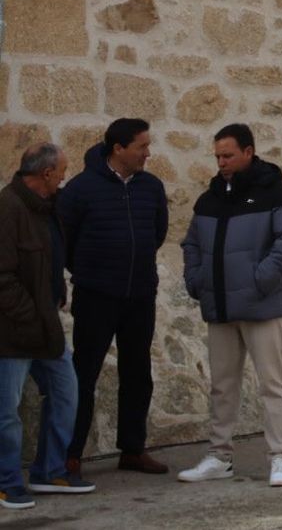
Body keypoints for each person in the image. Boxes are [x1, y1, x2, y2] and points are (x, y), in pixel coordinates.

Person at [178, 124, 282, 488]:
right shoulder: (210, 198)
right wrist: (197, 281)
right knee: (222, 386)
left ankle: (281, 457)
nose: (221, 162)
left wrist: (258, 281)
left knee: (274, 384)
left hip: (262, 306)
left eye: (228, 155)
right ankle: (219, 456)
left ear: (249, 152)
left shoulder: (279, 194)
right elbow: (191, 244)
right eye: (217, 156)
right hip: (219, 307)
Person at [57, 118, 169, 476]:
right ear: (118, 149)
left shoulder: (151, 187)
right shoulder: (80, 189)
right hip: (95, 295)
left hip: (139, 294)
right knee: (84, 373)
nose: (148, 153)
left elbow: (157, 233)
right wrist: (92, 273)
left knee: (138, 372)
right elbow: (64, 241)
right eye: (142, 146)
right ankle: (70, 453)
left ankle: (133, 449)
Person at [0, 144, 94, 509]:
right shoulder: (8, 208)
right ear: (44, 174)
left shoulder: (47, 208)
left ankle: (49, 470)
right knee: (6, 410)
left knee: (66, 392)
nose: (64, 177)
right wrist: (31, 312)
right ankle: (8, 482)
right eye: (62, 170)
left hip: (45, 327)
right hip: (12, 330)